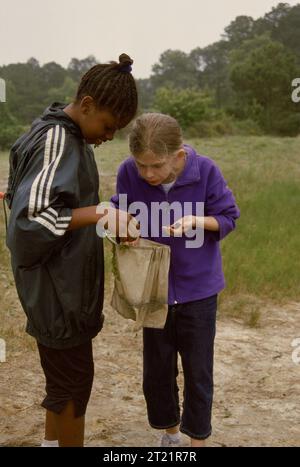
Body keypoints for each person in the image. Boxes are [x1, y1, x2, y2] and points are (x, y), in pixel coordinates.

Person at [5, 54, 139, 447]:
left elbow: (41, 198)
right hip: (56, 291)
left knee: (63, 381)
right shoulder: (57, 139)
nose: (109, 135)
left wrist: (104, 220)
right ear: (86, 106)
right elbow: (29, 222)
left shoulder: (60, 132)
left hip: (61, 286)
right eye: (108, 126)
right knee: (74, 385)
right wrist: (99, 212)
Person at [111, 113, 240, 447]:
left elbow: (228, 218)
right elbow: (116, 215)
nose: (148, 174)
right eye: (142, 165)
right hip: (153, 291)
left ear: (179, 156)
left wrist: (198, 221)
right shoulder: (128, 173)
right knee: (157, 371)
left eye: (157, 165)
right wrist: (119, 227)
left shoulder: (206, 171)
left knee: (198, 371)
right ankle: (170, 434)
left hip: (199, 292)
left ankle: (198, 441)